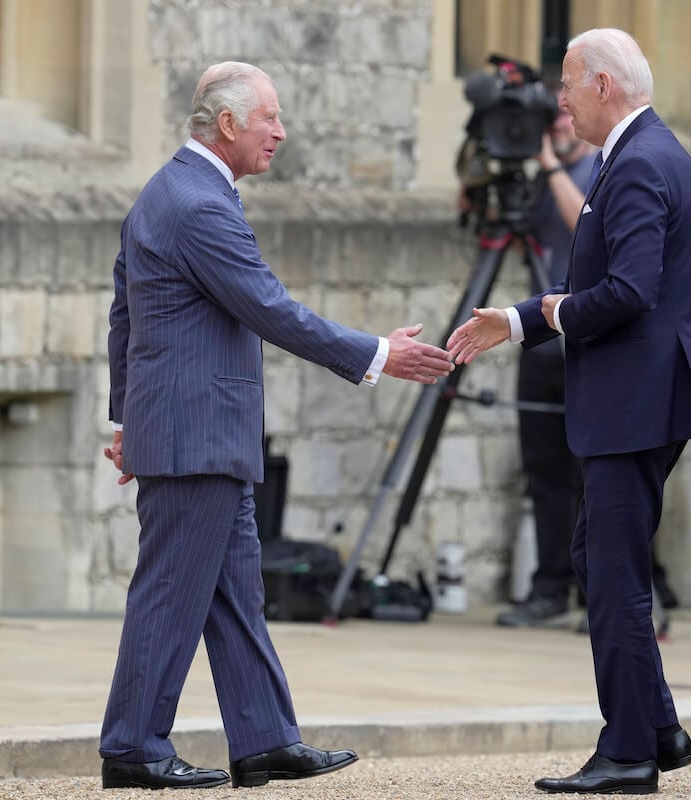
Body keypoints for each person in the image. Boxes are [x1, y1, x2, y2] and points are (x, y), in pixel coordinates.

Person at [100, 61, 454, 790]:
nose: (281, 132)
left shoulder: (170, 193)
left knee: (236, 594)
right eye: (271, 118)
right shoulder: (198, 205)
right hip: (198, 435)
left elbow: (124, 314)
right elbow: (270, 308)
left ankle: (263, 739)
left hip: (198, 433)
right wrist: (379, 353)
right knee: (169, 593)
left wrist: (128, 418)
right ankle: (132, 746)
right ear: (228, 124)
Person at [448, 29, 691, 795]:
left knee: (613, 570)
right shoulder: (644, 153)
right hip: (644, 392)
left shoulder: (637, 164)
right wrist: (524, 318)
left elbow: (629, 292)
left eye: (567, 85)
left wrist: (540, 314)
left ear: (603, 85)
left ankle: (628, 750)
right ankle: (656, 725)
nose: (558, 102)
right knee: (597, 556)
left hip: (636, 395)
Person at [494, 108, 596, 629]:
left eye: (561, 122)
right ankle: (549, 585)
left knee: (593, 473)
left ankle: (601, 593)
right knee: (545, 470)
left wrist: (551, 166)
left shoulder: (604, 165)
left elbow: (587, 226)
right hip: (541, 333)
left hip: (589, 335)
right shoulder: (540, 176)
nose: (554, 132)